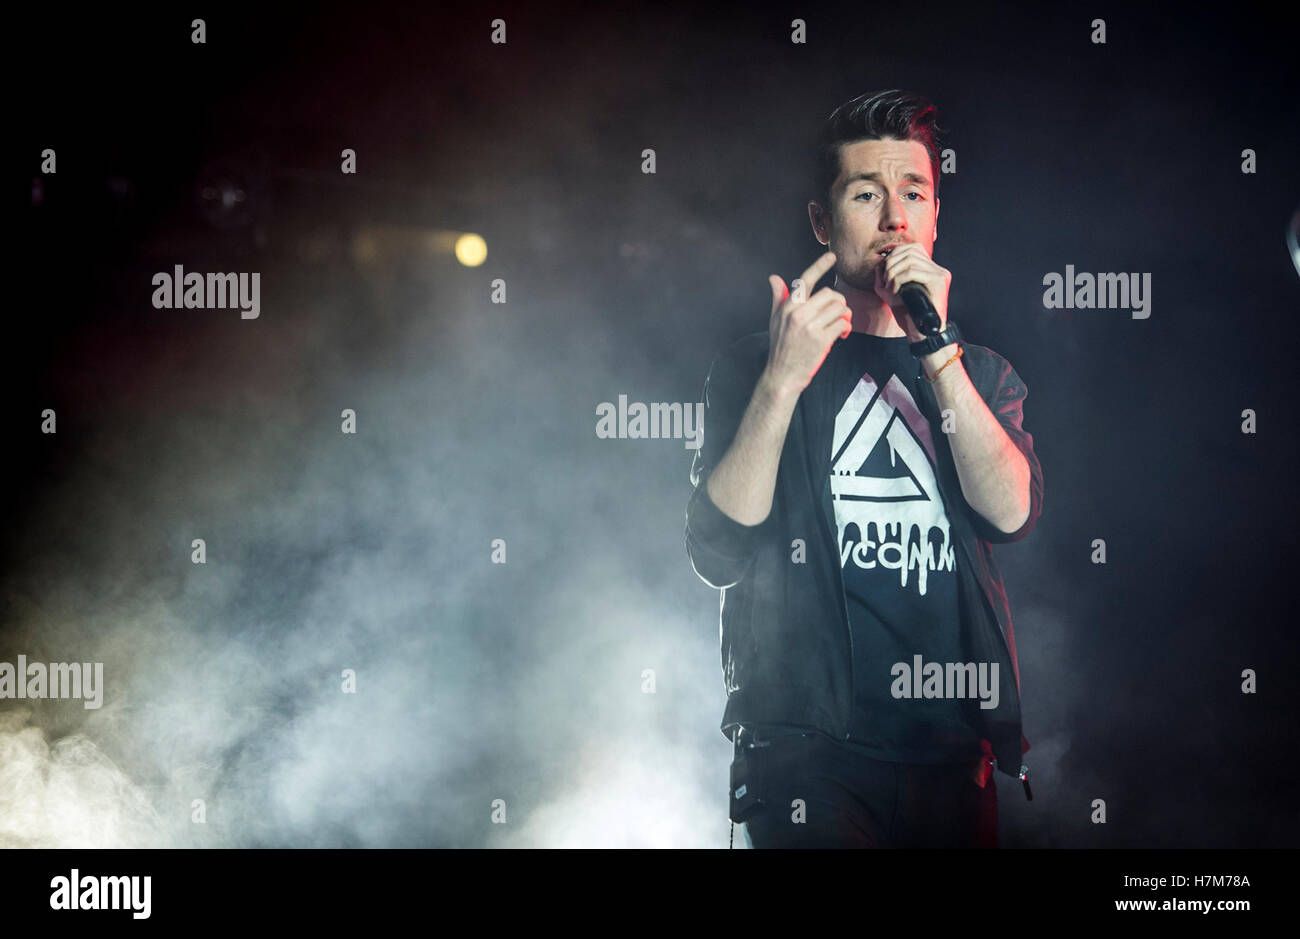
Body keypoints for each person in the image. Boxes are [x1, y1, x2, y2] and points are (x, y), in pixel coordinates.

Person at [685, 90, 1044, 848]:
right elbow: (716, 549)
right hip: (804, 755)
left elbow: (1010, 513)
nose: (894, 219)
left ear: (937, 216)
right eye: (865, 194)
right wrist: (782, 382)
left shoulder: (980, 371)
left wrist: (935, 350)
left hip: (951, 754)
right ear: (822, 221)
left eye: (915, 193)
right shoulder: (757, 364)